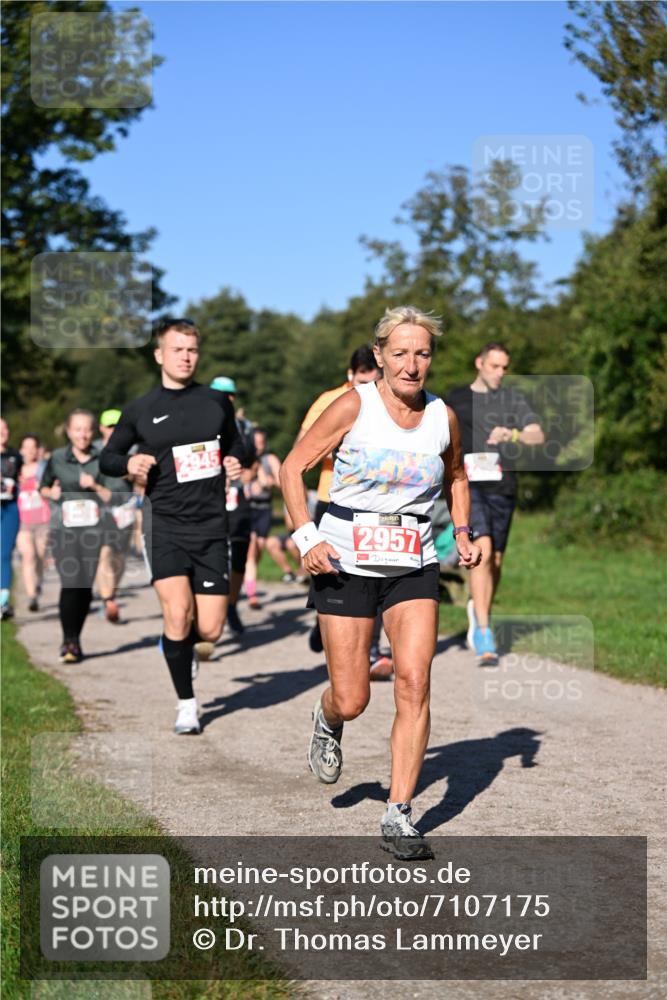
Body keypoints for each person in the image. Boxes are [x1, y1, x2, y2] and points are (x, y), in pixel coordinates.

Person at [280, 305, 481, 858]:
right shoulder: (354, 405)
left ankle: (399, 814)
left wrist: (461, 530)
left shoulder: (443, 416)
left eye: (421, 353)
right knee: (354, 696)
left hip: (413, 559)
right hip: (344, 559)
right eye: (399, 353)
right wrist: (305, 536)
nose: (411, 365)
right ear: (380, 357)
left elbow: (458, 474)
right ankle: (327, 717)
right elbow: (291, 466)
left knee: (414, 681)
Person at [99, 318, 244, 734]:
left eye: (192, 350)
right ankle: (187, 704)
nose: (186, 357)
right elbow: (108, 457)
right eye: (177, 349)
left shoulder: (217, 401)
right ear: (160, 354)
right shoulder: (140, 409)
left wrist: (236, 459)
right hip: (164, 524)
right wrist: (127, 463)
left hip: (212, 526)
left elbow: (236, 443)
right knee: (177, 615)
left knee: (211, 629)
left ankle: (183, 650)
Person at [445, 343, 544, 665]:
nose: (500, 373)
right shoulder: (455, 399)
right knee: (483, 549)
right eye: (494, 366)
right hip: (469, 487)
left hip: (503, 486)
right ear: (479, 363)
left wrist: (513, 435)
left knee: (496, 560)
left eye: (504, 367)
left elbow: (536, 435)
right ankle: (485, 633)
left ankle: (478, 606)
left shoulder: (511, 399)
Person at [297, 346, 391, 677]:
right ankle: (324, 620)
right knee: (332, 577)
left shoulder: (387, 401)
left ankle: (372, 651)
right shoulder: (331, 401)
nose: (368, 387)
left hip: (375, 505)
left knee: (376, 575)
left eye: (373, 380)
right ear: (349, 376)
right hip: (330, 500)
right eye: (361, 381)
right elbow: (301, 446)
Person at [39, 410, 114, 662]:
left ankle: (76, 638)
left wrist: (93, 485)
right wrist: (53, 494)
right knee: (71, 582)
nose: (83, 434)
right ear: (69, 431)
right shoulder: (58, 458)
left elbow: (112, 496)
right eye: (78, 429)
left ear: (93, 432)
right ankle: (68, 641)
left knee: (85, 587)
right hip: (64, 530)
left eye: (87, 429)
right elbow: (43, 487)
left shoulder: (102, 458)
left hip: (93, 531)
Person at [209, 375, 256, 637]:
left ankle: (232, 604)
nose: (226, 399)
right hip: (208, 497)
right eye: (219, 394)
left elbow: (254, 458)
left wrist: (250, 473)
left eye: (230, 394)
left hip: (237, 496)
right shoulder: (199, 423)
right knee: (211, 554)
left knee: (239, 553)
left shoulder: (244, 427)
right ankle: (208, 608)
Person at [93, 409, 137, 623]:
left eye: (117, 426)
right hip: (101, 510)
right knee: (105, 553)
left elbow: (140, 479)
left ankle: (111, 595)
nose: (113, 430)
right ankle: (107, 599)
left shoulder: (133, 449)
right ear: (101, 428)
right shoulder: (94, 450)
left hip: (125, 508)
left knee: (120, 558)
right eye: (110, 426)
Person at [243, 427, 281, 610]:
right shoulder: (244, 458)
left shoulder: (270, 459)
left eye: (261, 443)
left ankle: (247, 577)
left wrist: (269, 481)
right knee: (251, 549)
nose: (259, 447)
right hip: (248, 508)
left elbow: (282, 480)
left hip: (264, 509)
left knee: (258, 548)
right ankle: (252, 595)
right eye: (255, 443)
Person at [16, 434, 50, 612]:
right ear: (21, 450)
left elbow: (54, 489)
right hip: (22, 521)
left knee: (41, 557)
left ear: (38, 449)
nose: (29, 451)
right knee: (28, 555)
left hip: (43, 520)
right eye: (26, 447)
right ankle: (31, 596)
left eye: (33, 447)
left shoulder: (44, 468)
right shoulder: (15, 469)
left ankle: (38, 583)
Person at [1, 418, 23, 619]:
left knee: (5, 553)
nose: (3, 432)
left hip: (9, 508)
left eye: (6, 428)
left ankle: (3, 602)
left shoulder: (15, 455)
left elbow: (24, 479)